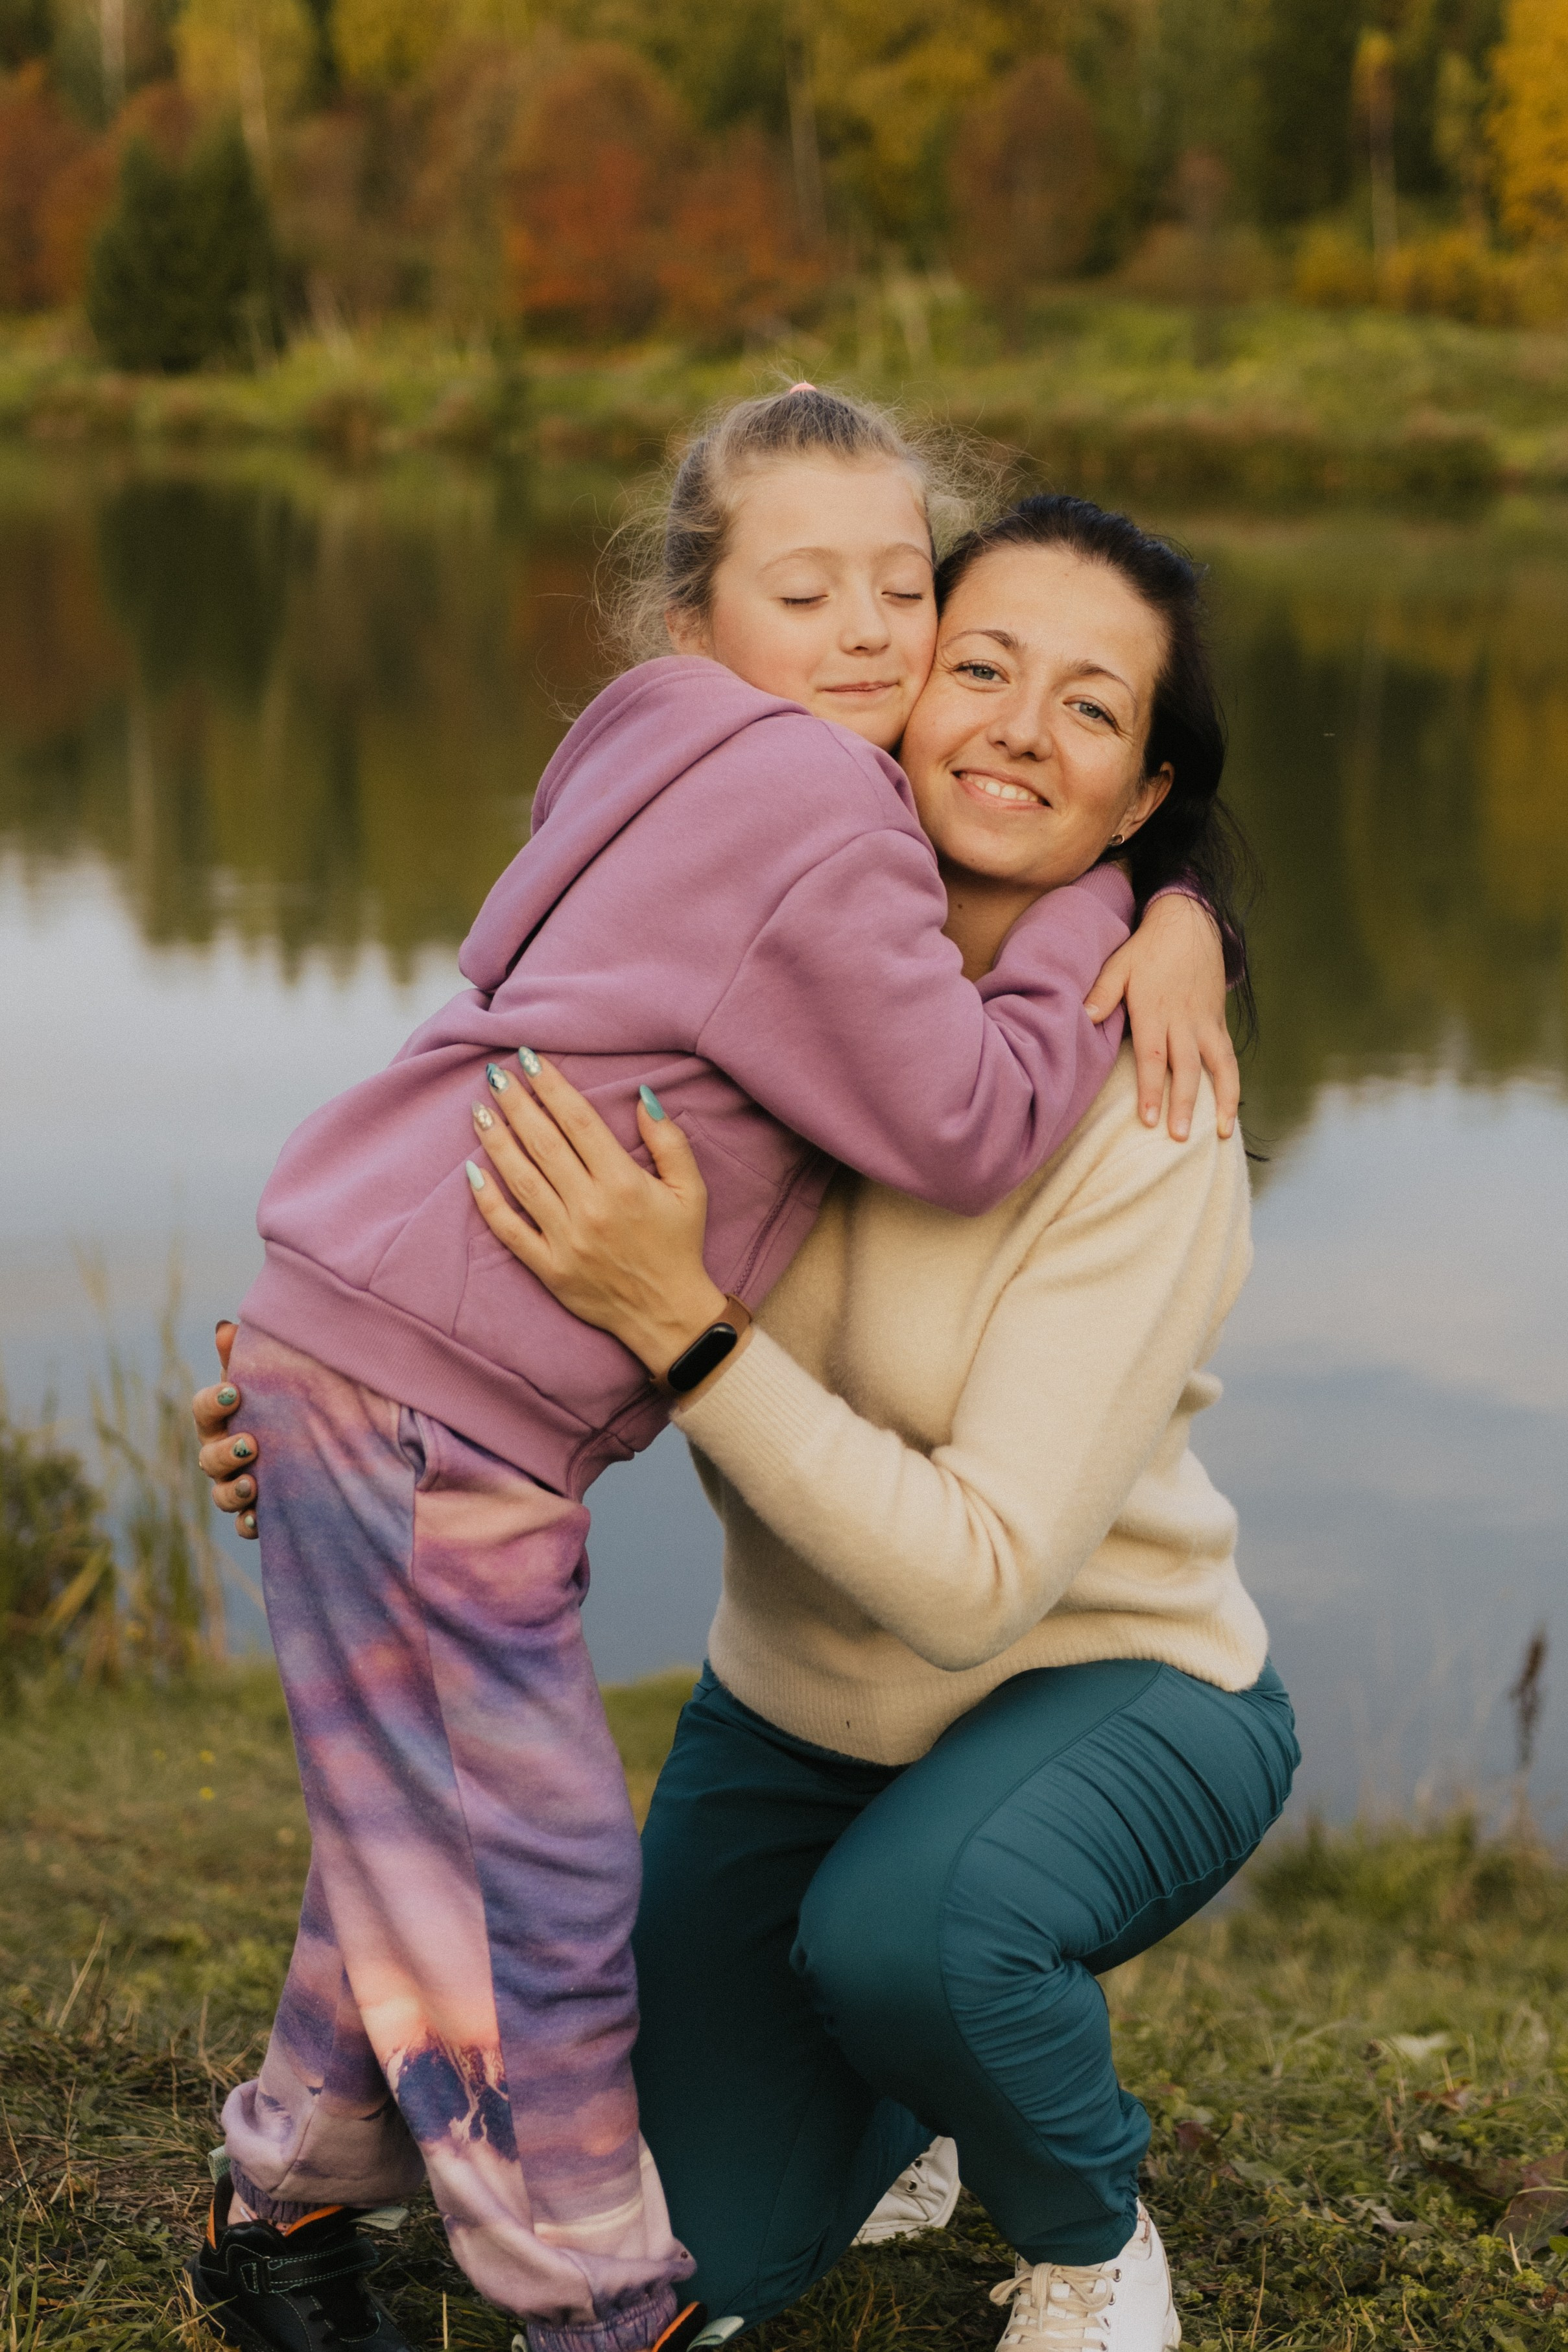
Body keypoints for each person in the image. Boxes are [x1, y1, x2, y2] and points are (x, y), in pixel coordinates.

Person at [192, 392, 1237, 2352]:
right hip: (449, 1416)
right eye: (824, 596)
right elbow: (918, 1108)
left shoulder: (696, 796)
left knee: (447, 1835)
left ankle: (349, 2221)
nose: (883, 644)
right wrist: (1127, 895)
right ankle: (472, 2265)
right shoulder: (815, 824)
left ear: (1140, 777)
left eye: (900, 593)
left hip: (1039, 1656)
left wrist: (1157, 901)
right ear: (695, 626)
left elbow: (538, 1031)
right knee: (513, 1861)